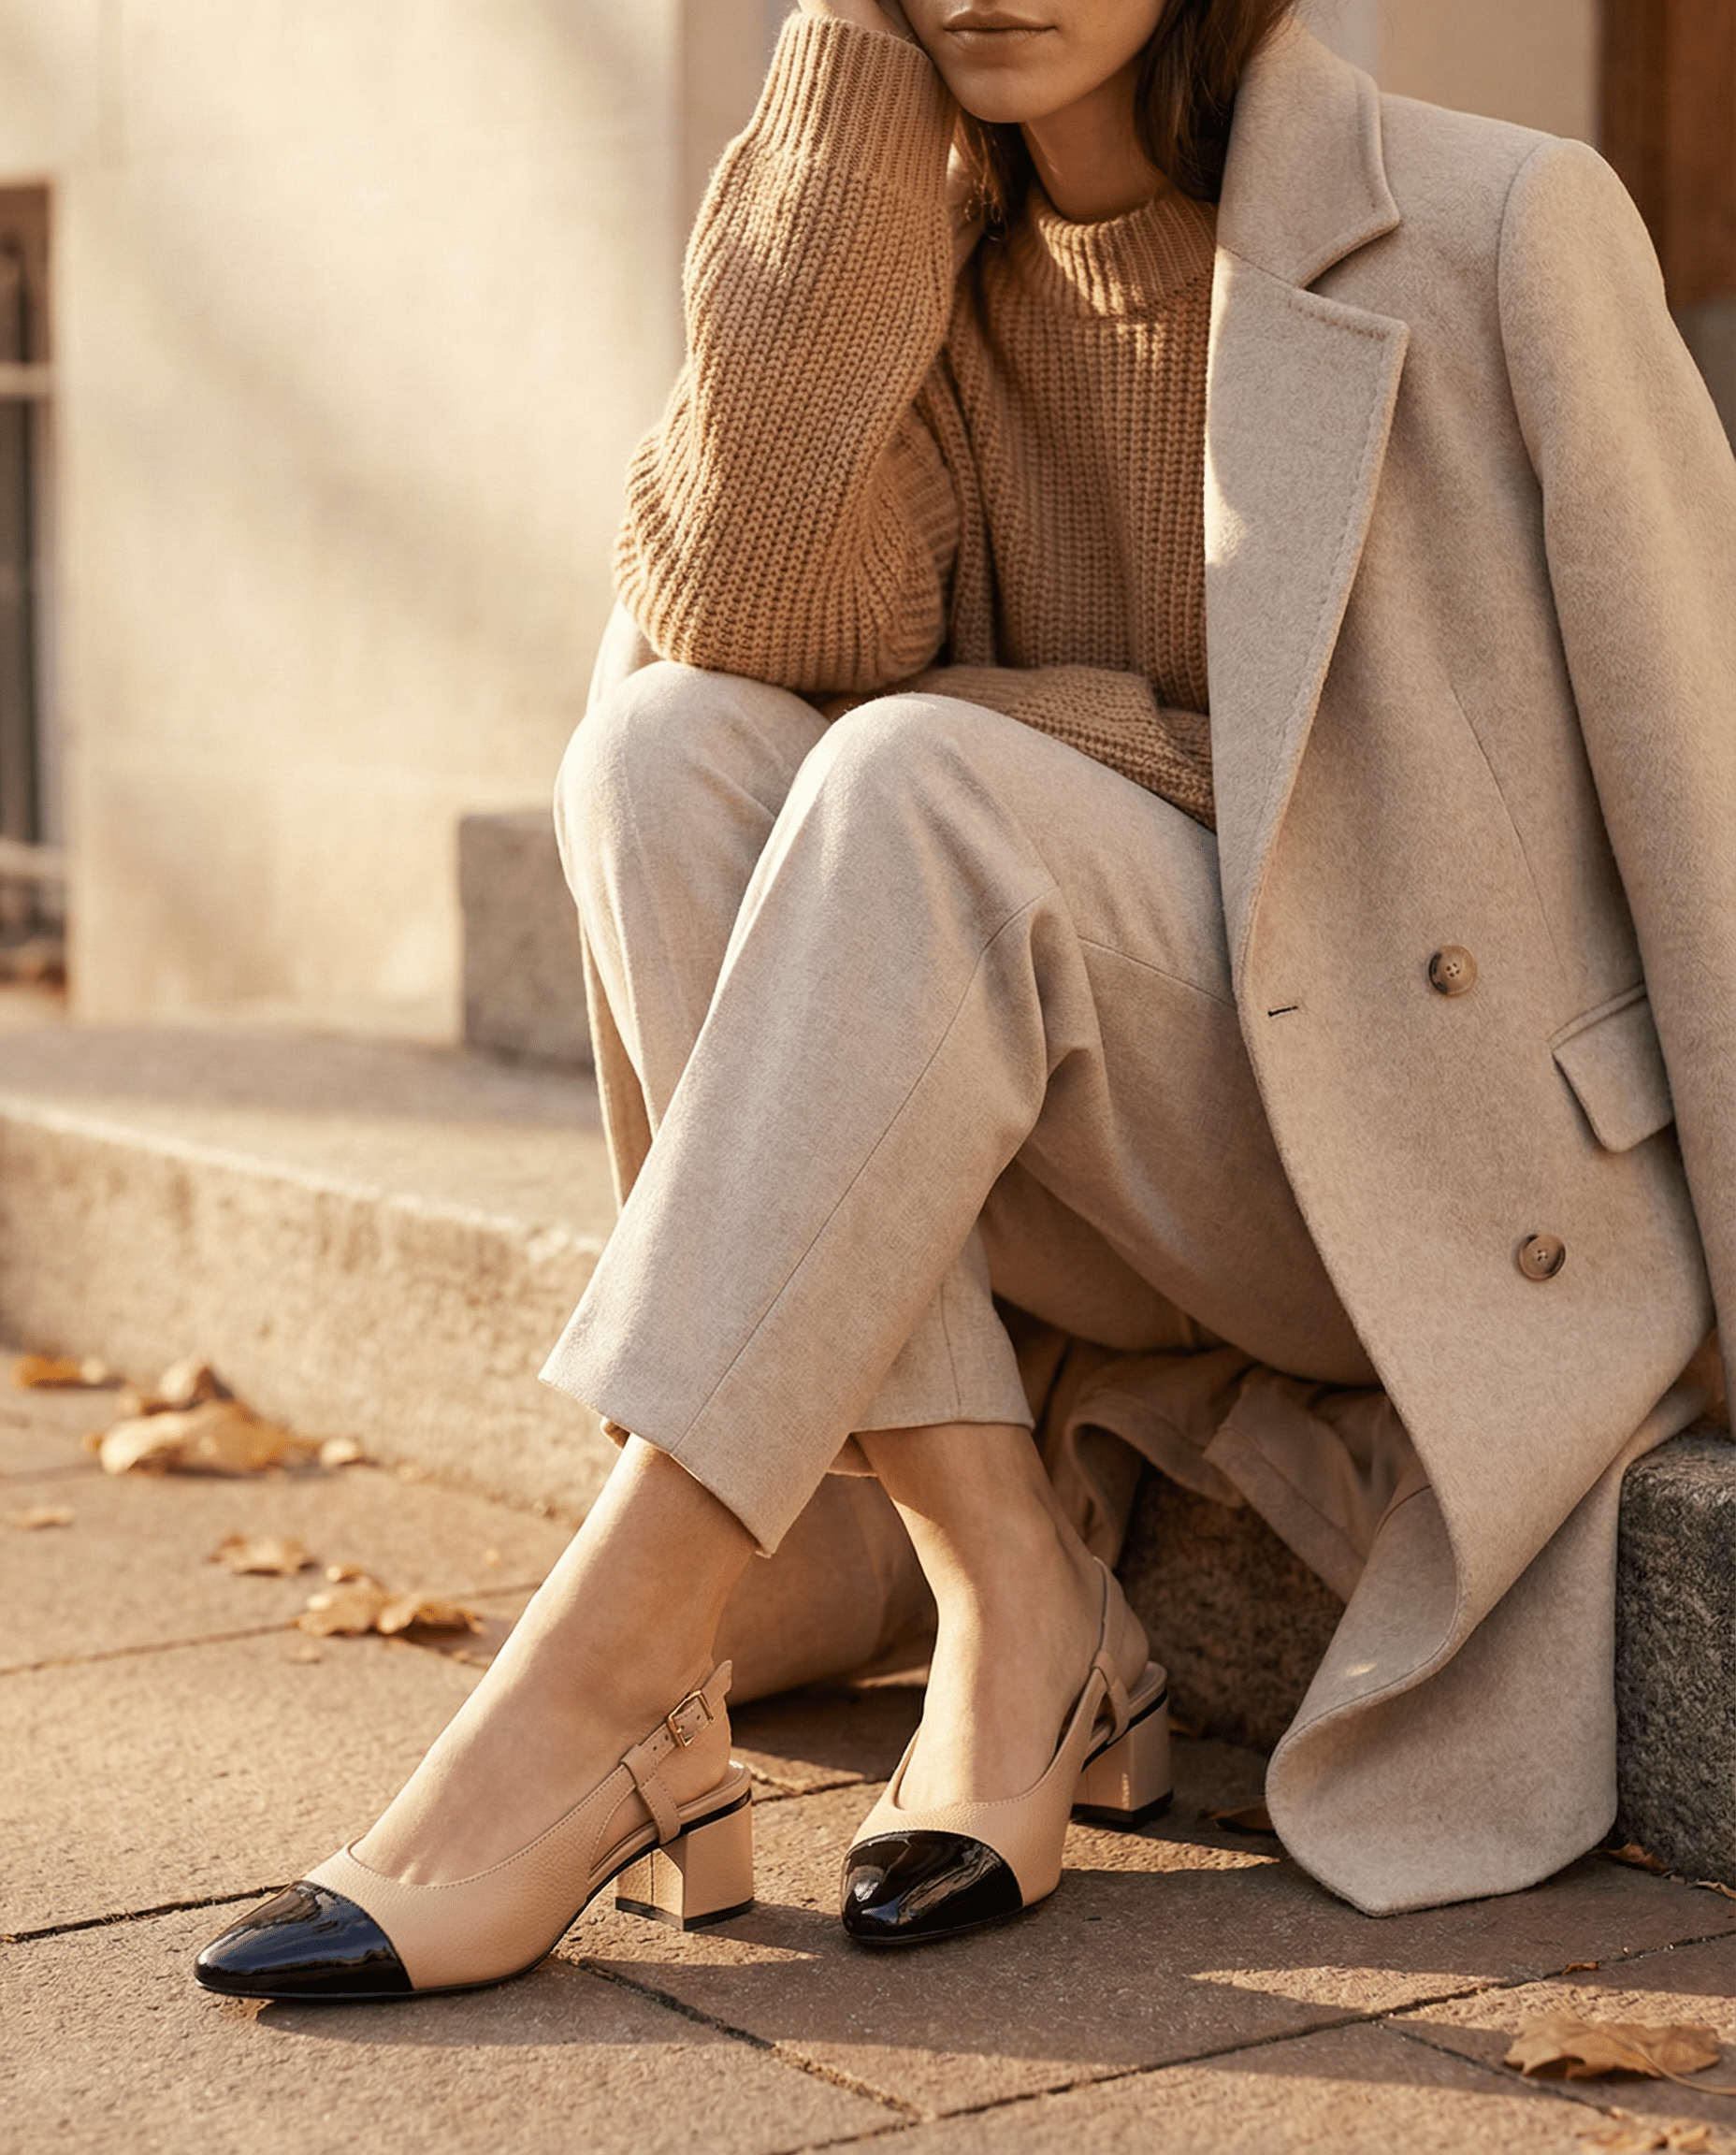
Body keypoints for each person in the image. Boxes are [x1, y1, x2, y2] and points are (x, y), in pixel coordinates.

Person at [195, 0, 1734, 2001]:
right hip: (1083, 1162)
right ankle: (1009, 1576)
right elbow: (730, 614)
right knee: (660, 750)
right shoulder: (904, 248)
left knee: (917, 774)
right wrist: (844, 85)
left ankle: (610, 1675)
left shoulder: (1503, 218)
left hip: (1409, 1153)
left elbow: (1701, 757)